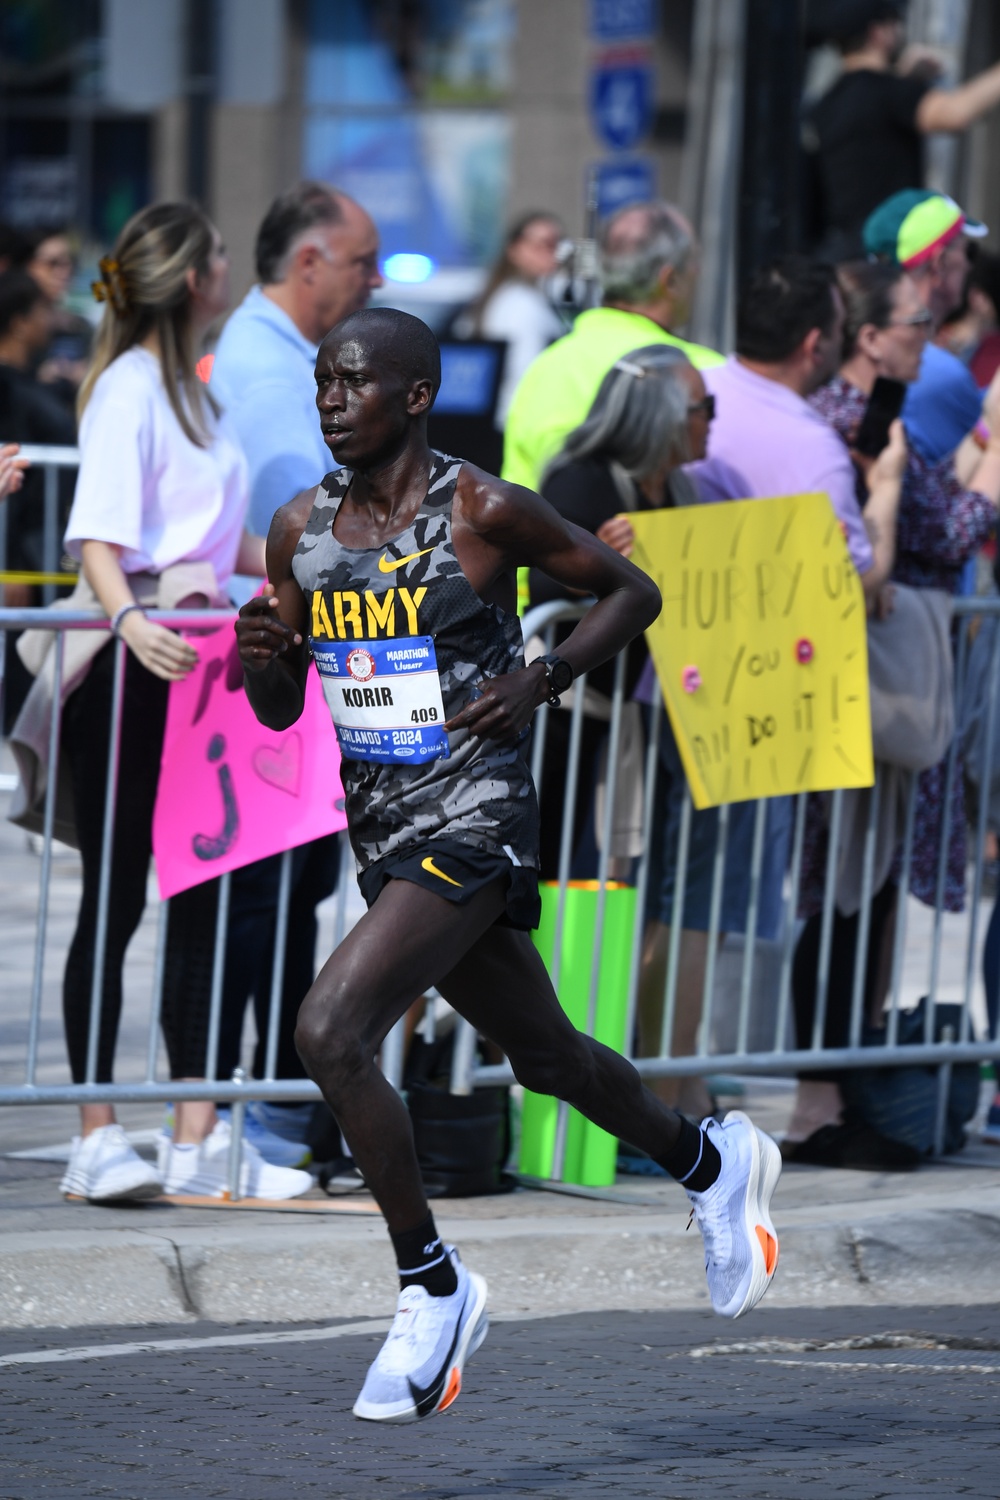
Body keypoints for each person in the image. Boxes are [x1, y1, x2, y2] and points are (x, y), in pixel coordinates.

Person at [235, 306, 782, 1423]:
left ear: (416, 395)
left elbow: (636, 595)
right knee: (548, 1059)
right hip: (384, 827)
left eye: (352, 384)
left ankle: (434, 1288)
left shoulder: (477, 508)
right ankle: (713, 1164)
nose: (331, 401)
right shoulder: (299, 528)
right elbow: (287, 703)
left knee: (330, 1029)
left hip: (475, 819)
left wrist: (542, 674)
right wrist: (262, 660)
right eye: (321, 384)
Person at [37, 203, 312, 1203]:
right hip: (142, 656)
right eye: (221, 258)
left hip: (202, 659)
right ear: (192, 279)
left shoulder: (193, 395)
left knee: (206, 892)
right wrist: (124, 626)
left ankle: (196, 1134)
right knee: (114, 900)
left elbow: (217, 539)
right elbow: (99, 537)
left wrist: (307, 566)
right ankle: (95, 1134)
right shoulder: (126, 390)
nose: (230, 271)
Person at [781, 259, 1000, 1166]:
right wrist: (988, 470)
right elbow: (941, 531)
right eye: (915, 323)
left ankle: (839, 1090)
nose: (930, 334)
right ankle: (824, 1099)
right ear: (871, 337)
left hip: (871, 678)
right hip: (863, 682)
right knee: (847, 894)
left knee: (857, 895)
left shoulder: (863, 418)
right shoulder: (863, 424)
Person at [208, 182, 383, 1166]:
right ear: (309, 261)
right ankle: (264, 1116)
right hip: (275, 669)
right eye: (362, 262)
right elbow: (304, 520)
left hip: (284, 664)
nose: (371, 280)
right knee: (269, 898)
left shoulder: (278, 359)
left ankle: (266, 1111)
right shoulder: (276, 378)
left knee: (285, 894)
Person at [530, 345, 736, 1120]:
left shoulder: (678, 492)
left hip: (624, 721)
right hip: (559, 718)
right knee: (547, 887)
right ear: (660, 419)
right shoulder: (579, 481)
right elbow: (542, 583)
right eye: (700, 408)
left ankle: (591, 1087)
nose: (712, 421)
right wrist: (596, 565)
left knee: (605, 893)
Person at [501, 200, 724, 494]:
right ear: (670, 280)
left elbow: (512, 494)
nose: (698, 273)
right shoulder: (702, 374)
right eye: (695, 263)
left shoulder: (545, 367)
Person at [804, 0, 1000, 260]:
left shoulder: (829, 102)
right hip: (889, 256)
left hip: (847, 257)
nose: (900, 29)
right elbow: (955, 114)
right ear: (878, 33)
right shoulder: (889, 92)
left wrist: (902, 78)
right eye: (894, 20)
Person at [862, 188, 988, 463]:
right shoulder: (937, 374)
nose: (969, 265)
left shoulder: (859, 349)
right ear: (939, 262)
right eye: (969, 250)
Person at [456, 211, 565, 428]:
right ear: (514, 249)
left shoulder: (505, 296)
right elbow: (526, 375)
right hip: (518, 422)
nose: (554, 254)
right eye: (543, 244)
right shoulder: (523, 304)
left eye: (558, 244)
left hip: (498, 421)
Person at [24, 227, 92, 403]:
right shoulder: (11, 322)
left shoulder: (80, 326)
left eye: (69, 262)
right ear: (28, 265)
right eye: (53, 263)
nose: (64, 271)